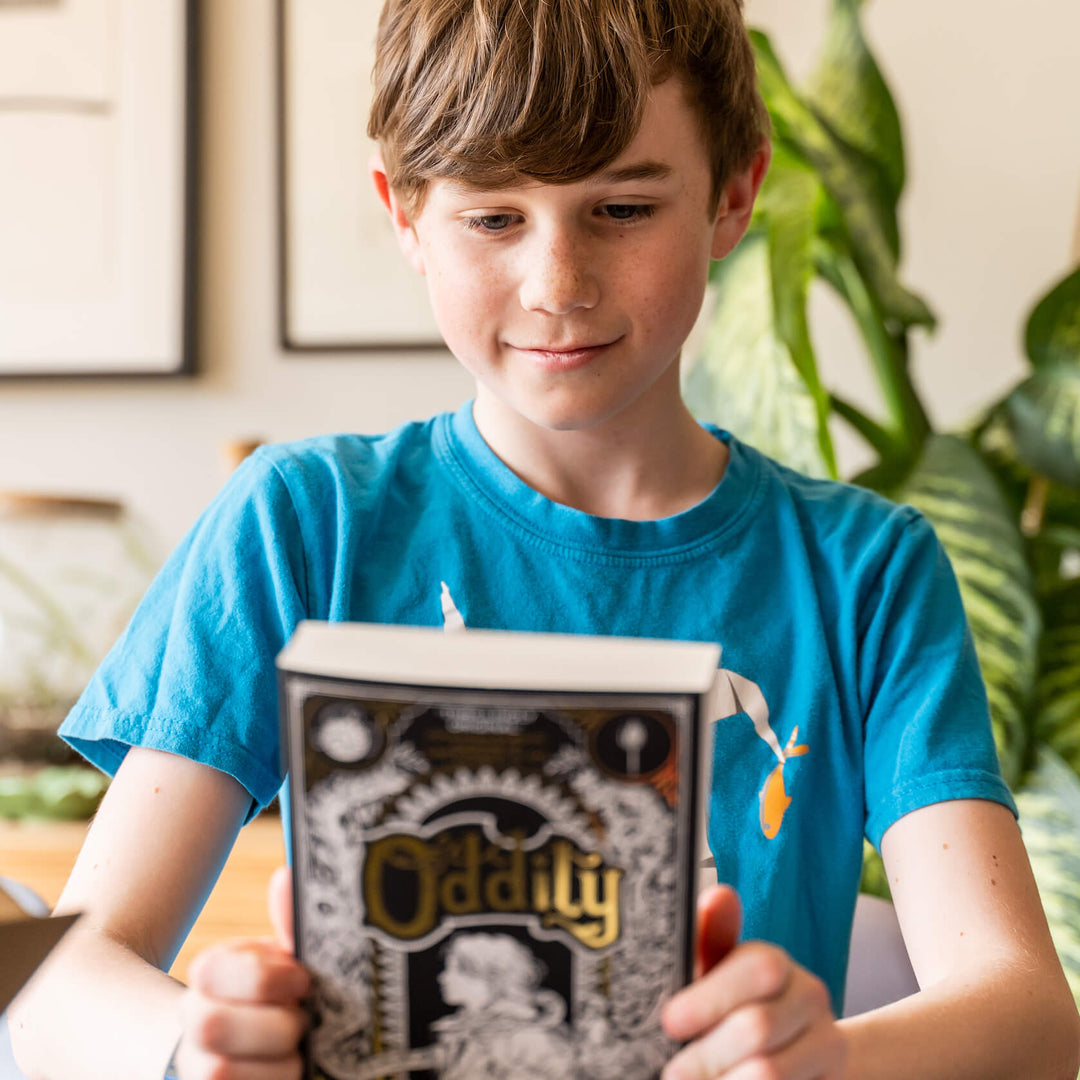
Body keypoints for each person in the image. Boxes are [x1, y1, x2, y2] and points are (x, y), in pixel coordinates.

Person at [10, 0, 1080, 1077]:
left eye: (621, 208)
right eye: (493, 218)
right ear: (406, 215)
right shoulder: (303, 523)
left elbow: (1031, 1015)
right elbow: (64, 982)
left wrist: (829, 1063)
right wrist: (192, 1052)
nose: (557, 285)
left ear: (733, 193)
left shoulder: (868, 574)